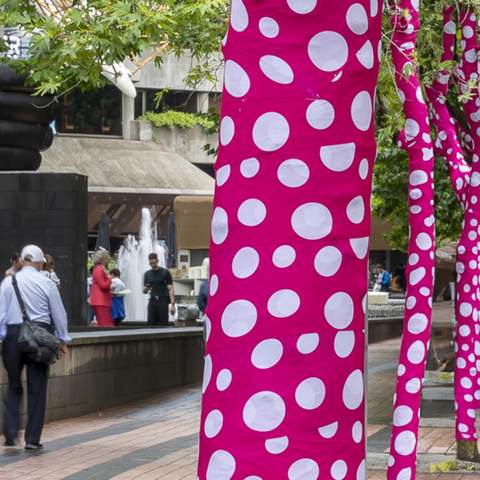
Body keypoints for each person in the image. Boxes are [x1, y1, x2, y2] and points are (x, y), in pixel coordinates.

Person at [0, 244, 70, 450]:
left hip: (12, 337)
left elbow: (1, 315)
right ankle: (32, 439)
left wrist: (3, 337)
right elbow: (59, 313)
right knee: (37, 388)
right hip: (38, 337)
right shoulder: (46, 282)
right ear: (40, 263)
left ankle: (10, 434)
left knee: (13, 385)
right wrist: (63, 339)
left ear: (21, 260)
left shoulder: (8, 282)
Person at [144, 253, 176, 326]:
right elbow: (145, 291)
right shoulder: (147, 274)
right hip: (152, 300)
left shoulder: (165, 272)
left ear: (157, 261)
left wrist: (173, 305)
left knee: (163, 322)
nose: (152, 264)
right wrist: (146, 289)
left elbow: (170, 289)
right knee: (150, 322)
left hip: (163, 300)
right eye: (150, 263)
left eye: (154, 262)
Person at [90, 249, 113, 327]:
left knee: (103, 324)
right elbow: (103, 285)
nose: (109, 258)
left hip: (100, 301)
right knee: (106, 325)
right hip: (101, 301)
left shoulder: (98, 269)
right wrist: (110, 279)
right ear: (103, 258)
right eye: (107, 257)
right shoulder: (100, 269)